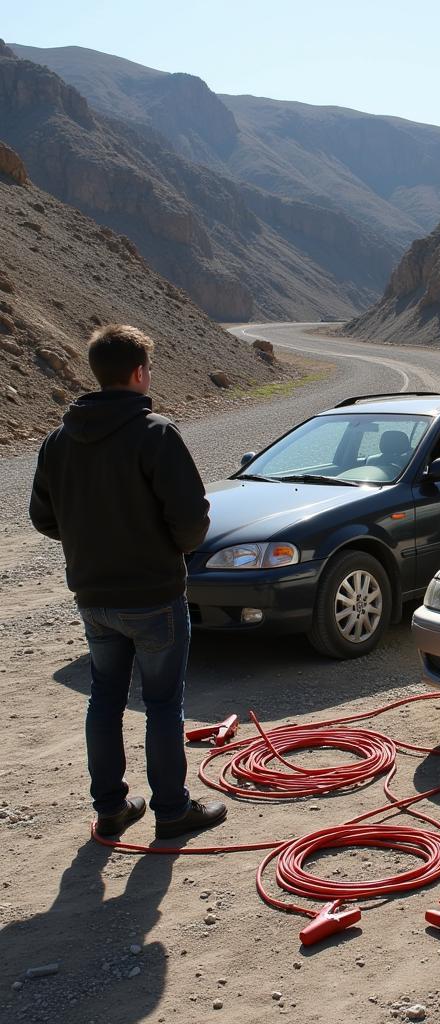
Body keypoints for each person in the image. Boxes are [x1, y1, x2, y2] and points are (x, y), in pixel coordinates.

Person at [29, 324, 227, 840]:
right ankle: (171, 810)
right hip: (155, 595)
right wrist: (171, 546)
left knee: (105, 698)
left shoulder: (58, 440)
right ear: (139, 372)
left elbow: (43, 517)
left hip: (93, 597)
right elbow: (191, 520)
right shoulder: (155, 432)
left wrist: (90, 541)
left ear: (96, 372)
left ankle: (111, 809)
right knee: (163, 703)